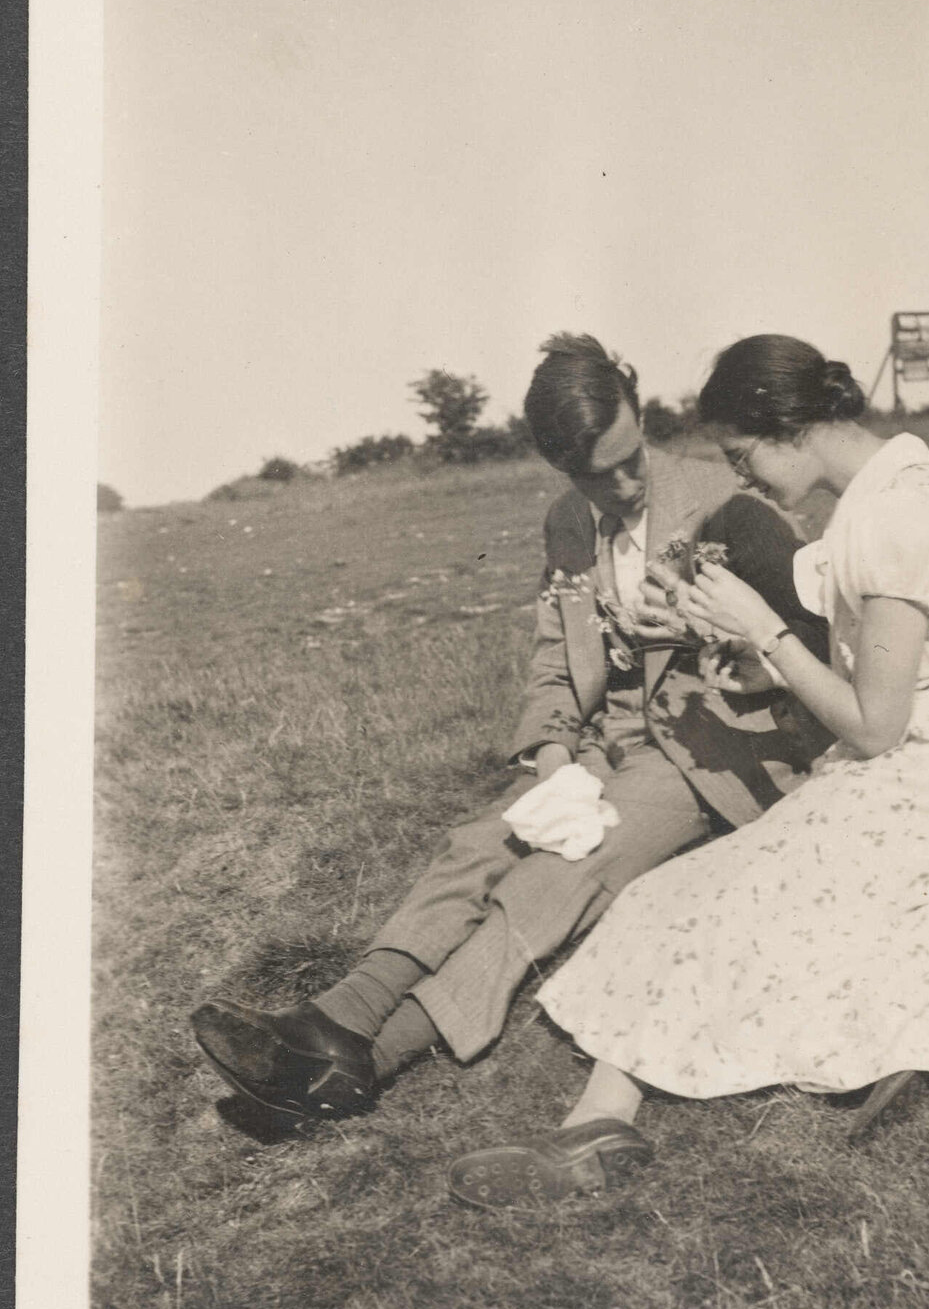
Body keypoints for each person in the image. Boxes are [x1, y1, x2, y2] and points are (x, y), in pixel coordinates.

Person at [448, 334, 929, 1208]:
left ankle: (604, 1115)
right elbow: (885, 683)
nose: (747, 479)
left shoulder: (895, 517)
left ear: (786, 427)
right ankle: (604, 1115)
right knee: (715, 890)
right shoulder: (887, 494)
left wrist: (763, 630)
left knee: (737, 894)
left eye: (742, 456)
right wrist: (767, 667)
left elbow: (877, 726)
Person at [191, 334, 831, 1123]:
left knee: (559, 871)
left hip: (708, 749)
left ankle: (370, 1063)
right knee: (484, 841)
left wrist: (728, 645)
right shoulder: (567, 524)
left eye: (634, 456)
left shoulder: (728, 499)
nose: (626, 483)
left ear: (637, 409)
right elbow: (555, 663)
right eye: (598, 474)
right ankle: (335, 1023)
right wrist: (557, 760)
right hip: (609, 742)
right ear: (562, 469)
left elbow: (811, 645)